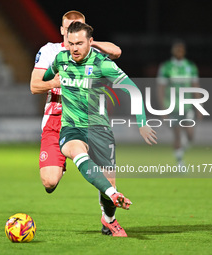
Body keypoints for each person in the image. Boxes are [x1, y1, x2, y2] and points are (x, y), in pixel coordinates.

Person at [43, 21, 157, 237]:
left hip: (100, 129)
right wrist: (50, 85)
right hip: (72, 126)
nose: (74, 48)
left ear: (90, 42)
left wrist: (142, 122)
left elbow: (133, 90)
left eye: (79, 43)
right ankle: (114, 194)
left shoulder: (102, 64)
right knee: (76, 151)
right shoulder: (61, 59)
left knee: (108, 181)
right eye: (71, 43)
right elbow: (47, 76)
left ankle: (109, 219)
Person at [30, 11, 122, 236]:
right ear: (61, 30)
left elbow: (117, 51)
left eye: (77, 27)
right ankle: (65, 158)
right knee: (49, 182)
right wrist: (56, 81)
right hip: (56, 119)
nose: (71, 31)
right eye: (68, 27)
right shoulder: (50, 51)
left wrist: (90, 43)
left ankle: (108, 219)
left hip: (89, 122)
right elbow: (34, 85)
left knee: (108, 177)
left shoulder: (88, 50)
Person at [157, 40, 201, 166]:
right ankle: (180, 163)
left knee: (190, 135)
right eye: (177, 49)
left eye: (181, 49)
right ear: (173, 51)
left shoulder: (190, 66)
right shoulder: (166, 67)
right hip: (172, 106)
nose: (179, 52)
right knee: (177, 134)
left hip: (187, 106)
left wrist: (199, 106)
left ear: (184, 51)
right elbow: (161, 88)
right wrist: (163, 109)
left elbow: (195, 86)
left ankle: (180, 150)